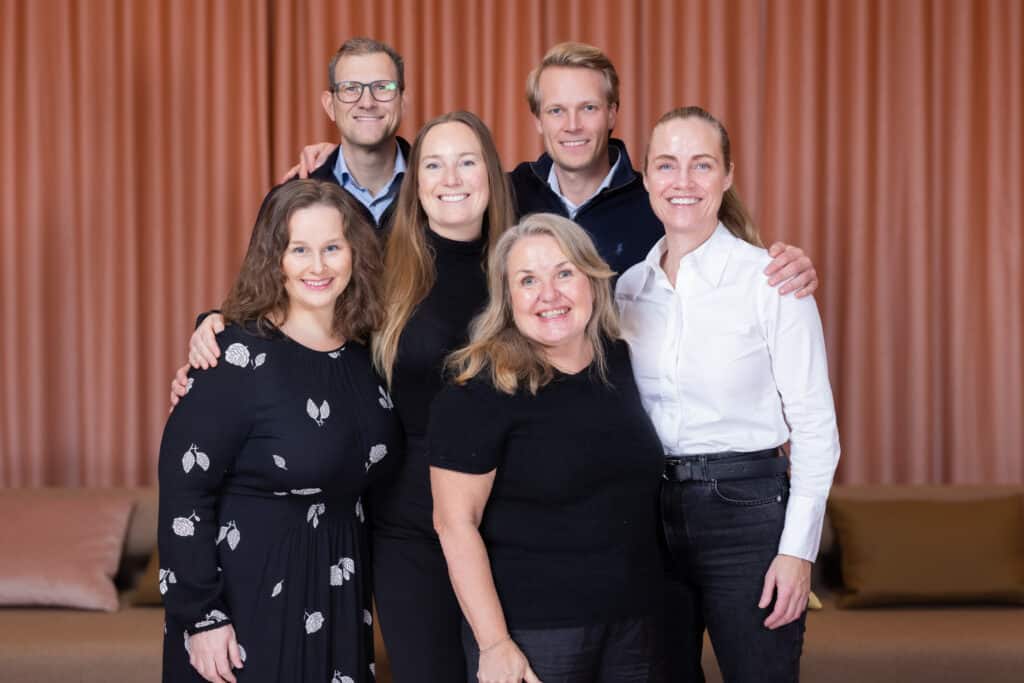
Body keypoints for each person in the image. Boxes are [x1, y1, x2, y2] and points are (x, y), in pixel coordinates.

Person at [173, 111, 515, 682]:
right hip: (407, 525)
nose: (451, 178)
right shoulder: (387, 271)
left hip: (513, 515)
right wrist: (215, 327)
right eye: (433, 164)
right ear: (414, 182)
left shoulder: (524, 264)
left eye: (467, 161)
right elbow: (298, 299)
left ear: (493, 174)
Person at [290, 41, 819, 292]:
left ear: (612, 113)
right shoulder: (504, 193)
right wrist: (338, 160)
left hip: (643, 418)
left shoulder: (661, 199)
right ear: (538, 120)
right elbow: (426, 205)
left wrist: (784, 266)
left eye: (588, 108)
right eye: (557, 111)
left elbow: (734, 260)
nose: (573, 125)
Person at [615, 106, 841, 682]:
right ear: (646, 177)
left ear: (727, 176)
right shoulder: (628, 290)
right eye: (667, 165)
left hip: (748, 512)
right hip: (647, 515)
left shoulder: (771, 281)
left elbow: (816, 427)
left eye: (702, 165)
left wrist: (797, 551)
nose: (683, 181)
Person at [158, 180, 401, 683]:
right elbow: (184, 492)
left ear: (354, 254)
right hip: (249, 603)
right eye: (300, 250)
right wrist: (203, 617)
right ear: (275, 259)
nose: (318, 266)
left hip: (339, 592)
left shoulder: (366, 353)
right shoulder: (232, 357)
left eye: (332, 248)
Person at [429, 213, 666, 683]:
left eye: (564, 273)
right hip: (535, 634)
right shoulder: (477, 393)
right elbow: (454, 524)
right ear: (507, 298)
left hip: (635, 626)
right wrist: (494, 644)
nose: (549, 294)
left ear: (592, 281)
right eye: (528, 280)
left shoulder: (622, 363)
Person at [295, 37, 410, 232]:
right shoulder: (292, 199)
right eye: (350, 88)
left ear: (402, 103)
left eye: (382, 87)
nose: (367, 103)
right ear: (330, 106)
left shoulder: (440, 188)